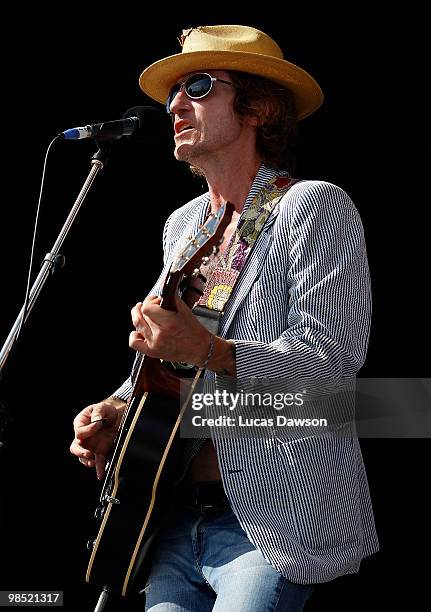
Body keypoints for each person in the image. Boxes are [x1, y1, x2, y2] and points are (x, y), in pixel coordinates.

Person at [70, 25, 379, 611]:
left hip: (268, 523)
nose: (176, 106)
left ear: (260, 107)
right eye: (173, 95)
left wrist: (209, 352)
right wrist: (117, 407)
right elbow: (171, 360)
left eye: (200, 86)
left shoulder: (312, 208)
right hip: (170, 513)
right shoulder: (184, 226)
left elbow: (335, 365)